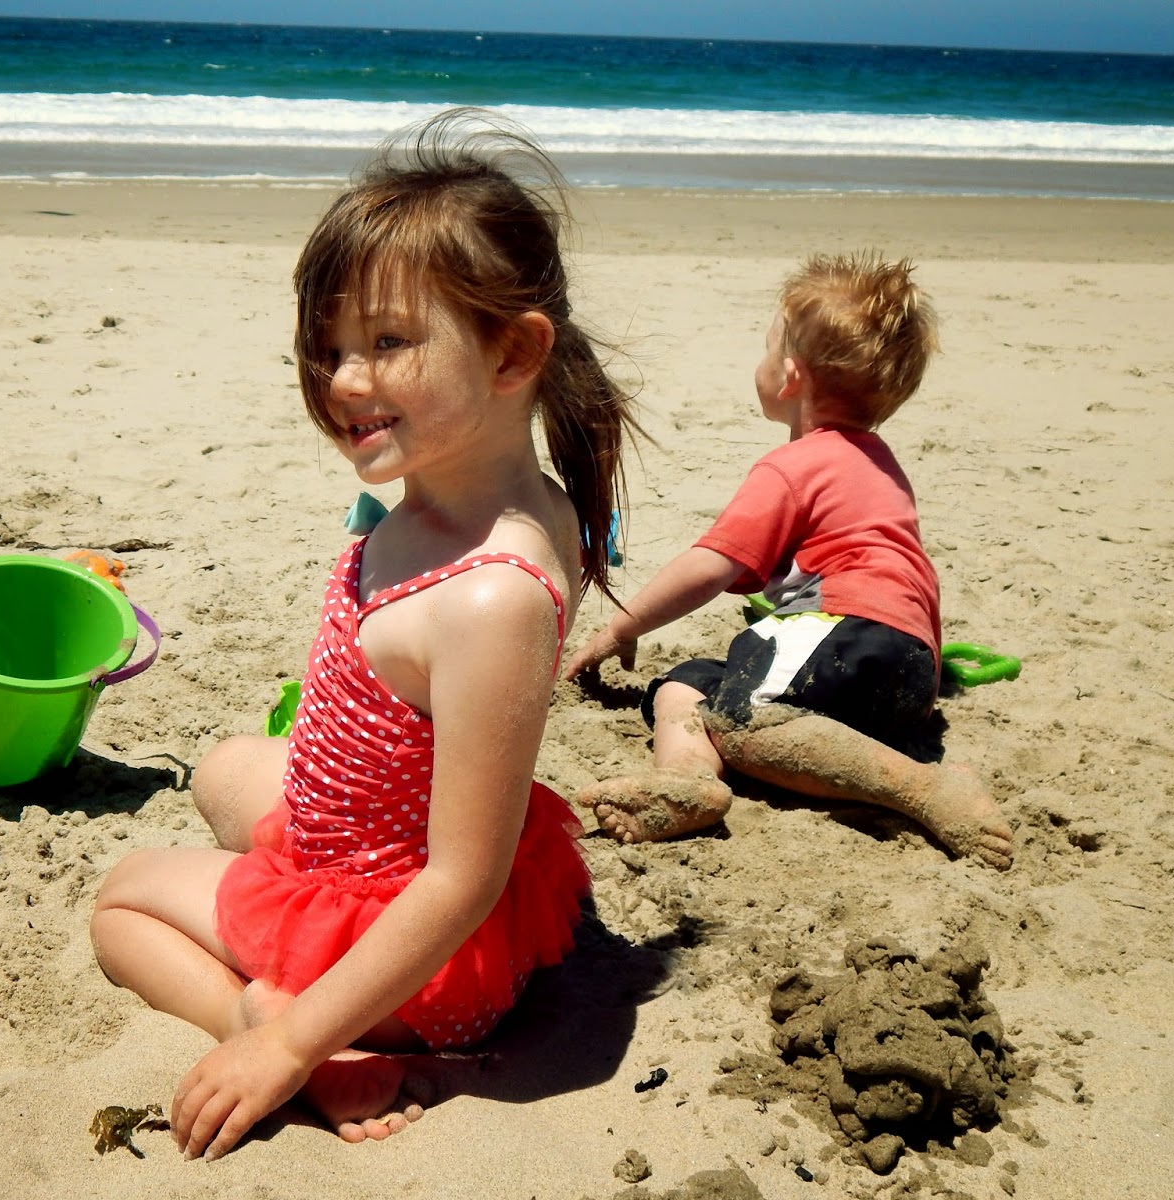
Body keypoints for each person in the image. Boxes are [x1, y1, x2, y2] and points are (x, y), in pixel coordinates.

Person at [91, 108, 638, 1162]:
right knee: (226, 767)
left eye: (387, 344)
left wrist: (288, 1041)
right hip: (372, 835)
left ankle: (281, 1028)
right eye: (332, 347)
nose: (344, 379)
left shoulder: (493, 598)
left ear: (514, 352)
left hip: (418, 952)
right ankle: (294, 985)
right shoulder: (482, 491)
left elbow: (460, 882)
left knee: (123, 902)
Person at [562, 251, 1013, 871]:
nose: (761, 361)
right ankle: (688, 779)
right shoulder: (880, 464)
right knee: (687, 683)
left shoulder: (794, 465)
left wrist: (621, 627)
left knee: (743, 719)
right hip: (905, 672)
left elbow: (710, 565)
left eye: (767, 347)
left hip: (847, 633)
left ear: (790, 377)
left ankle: (925, 787)